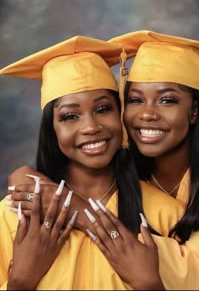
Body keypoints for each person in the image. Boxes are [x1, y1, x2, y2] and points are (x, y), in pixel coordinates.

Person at [0, 34, 184, 290]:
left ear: (121, 115)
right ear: (52, 129)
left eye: (103, 109)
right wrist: (19, 283)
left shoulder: (167, 215)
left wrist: (151, 285)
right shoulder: (14, 217)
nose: (91, 127)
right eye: (70, 116)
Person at [105, 30, 199, 290]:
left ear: (195, 111)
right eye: (135, 100)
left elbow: (191, 273)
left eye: (166, 100)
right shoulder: (118, 163)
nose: (147, 114)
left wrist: (87, 218)